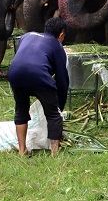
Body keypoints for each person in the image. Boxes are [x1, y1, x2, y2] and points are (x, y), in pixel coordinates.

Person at [8, 17, 70, 156]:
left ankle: (22, 150)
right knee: (53, 114)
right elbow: (62, 78)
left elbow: (23, 56)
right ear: (61, 34)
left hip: (15, 73)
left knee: (21, 110)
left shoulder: (26, 36)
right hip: (39, 75)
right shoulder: (56, 45)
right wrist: (59, 105)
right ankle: (54, 153)